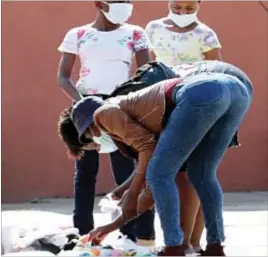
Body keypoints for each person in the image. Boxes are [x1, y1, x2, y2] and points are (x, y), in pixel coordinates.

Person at [60, 60, 252, 256]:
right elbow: (151, 182)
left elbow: (150, 158)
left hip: (203, 91)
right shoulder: (139, 116)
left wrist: (132, 192)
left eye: (91, 141)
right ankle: (215, 247)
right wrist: (113, 224)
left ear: (89, 128)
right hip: (238, 91)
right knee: (202, 174)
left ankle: (173, 247)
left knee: (160, 175)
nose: (97, 144)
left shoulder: (103, 113)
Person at [57, 0, 155, 245]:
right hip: (85, 109)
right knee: (85, 171)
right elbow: (63, 77)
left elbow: (146, 72)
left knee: (125, 171)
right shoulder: (78, 34)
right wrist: (85, 106)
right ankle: (83, 232)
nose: (125, 6)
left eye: (128, 1)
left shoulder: (135, 33)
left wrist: (122, 103)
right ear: (99, 4)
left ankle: (130, 233)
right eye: (118, 1)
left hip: (120, 108)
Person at [145, 1, 222, 252]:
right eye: (177, 6)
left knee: (193, 175)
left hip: (197, 107)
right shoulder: (154, 29)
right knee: (174, 175)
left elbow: (216, 72)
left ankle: (190, 242)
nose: (182, 13)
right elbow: (150, 67)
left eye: (190, 7)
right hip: (163, 104)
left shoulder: (206, 34)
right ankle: (184, 240)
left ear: (199, 4)